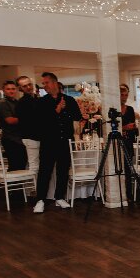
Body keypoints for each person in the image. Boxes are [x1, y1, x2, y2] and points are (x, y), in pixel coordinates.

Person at [33, 72, 81, 213]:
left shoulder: (69, 99)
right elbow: (40, 123)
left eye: (46, 83)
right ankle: (40, 200)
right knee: (45, 171)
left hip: (65, 141)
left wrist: (66, 110)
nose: (45, 86)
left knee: (63, 171)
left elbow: (77, 116)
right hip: (48, 142)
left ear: (54, 83)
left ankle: (59, 197)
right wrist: (57, 110)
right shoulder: (41, 102)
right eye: (43, 84)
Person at [0, 81, 28, 171]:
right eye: (8, 89)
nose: (11, 91)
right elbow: (10, 120)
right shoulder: (3, 103)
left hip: (19, 138)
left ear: (17, 90)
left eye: (13, 89)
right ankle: (14, 185)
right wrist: (27, 118)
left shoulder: (17, 102)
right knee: (15, 166)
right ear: (4, 90)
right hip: (10, 138)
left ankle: (19, 185)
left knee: (22, 165)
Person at [16, 76, 41, 175]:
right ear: (20, 88)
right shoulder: (22, 103)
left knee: (38, 165)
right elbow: (31, 121)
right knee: (34, 166)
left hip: (36, 136)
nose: (28, 87)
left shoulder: (35, 98)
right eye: (25, 86)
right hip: (31, 137)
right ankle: (34, 190)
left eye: (29, 84)